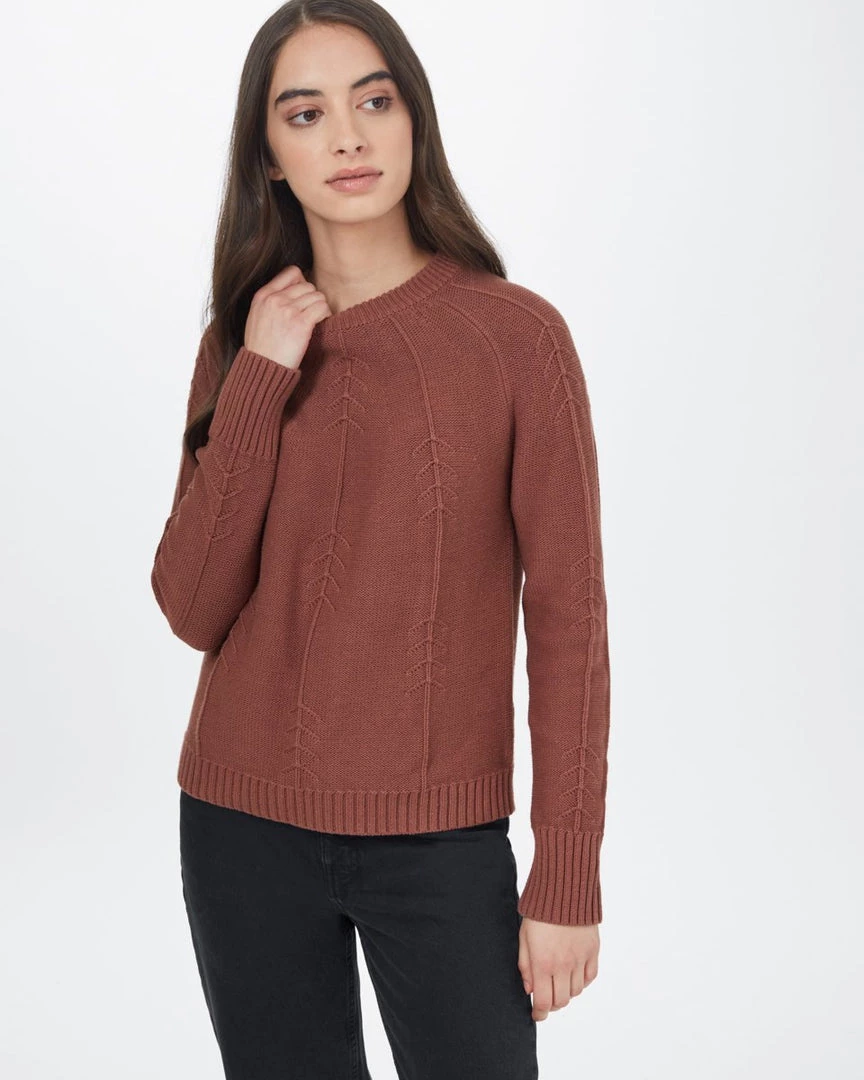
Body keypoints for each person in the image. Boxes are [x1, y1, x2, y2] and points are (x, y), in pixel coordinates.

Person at [150, 1, 611, 1077]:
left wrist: (567, 876)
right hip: (239, 827)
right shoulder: (241, 343)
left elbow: (570, 621)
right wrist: (262, 373)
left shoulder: (517, 340)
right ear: (268, 155)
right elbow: (191, 605)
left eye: (374, 100)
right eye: (306, 113)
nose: (349, 137)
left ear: (414, 120)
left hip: (440, 842)